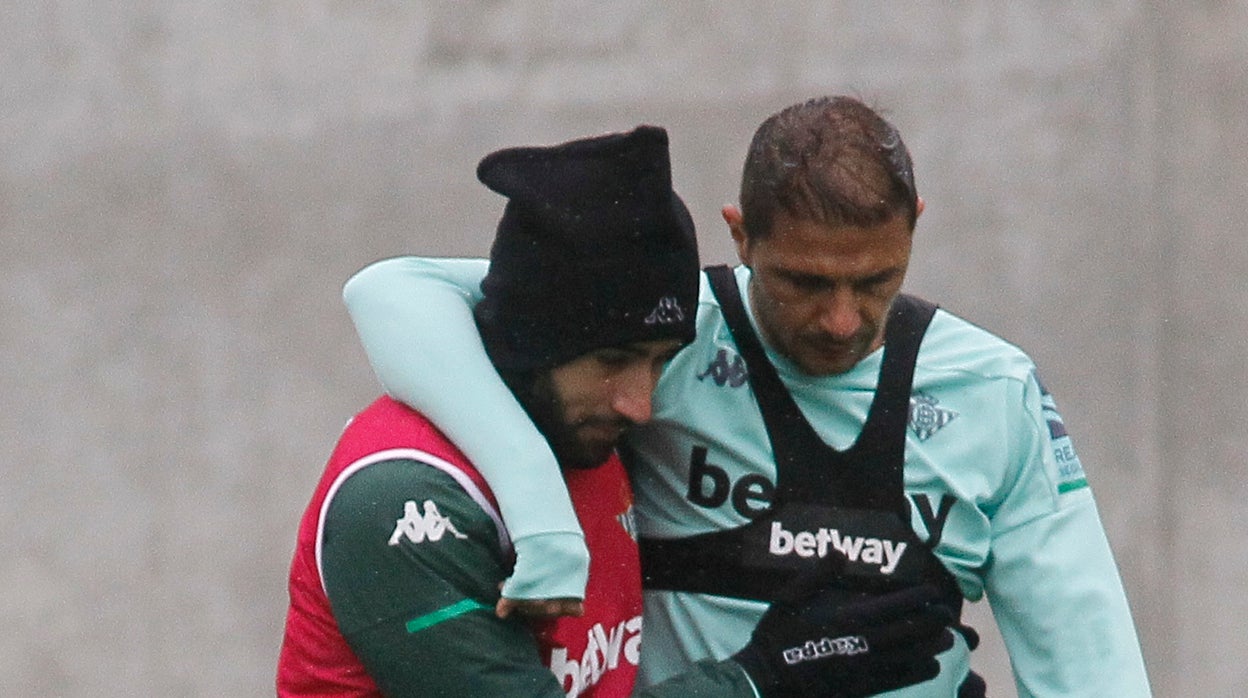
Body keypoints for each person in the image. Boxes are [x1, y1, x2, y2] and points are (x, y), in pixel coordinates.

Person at [341, 96, 1154, 696]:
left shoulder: (993, 390)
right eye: (804, 281)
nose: (841, 320)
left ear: (915, 230)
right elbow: (391, 292)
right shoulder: (658, 331)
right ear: (739, 237)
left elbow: (1092, 667)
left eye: (875, 281)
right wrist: (539, 507)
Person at [277, 124, 957, 697]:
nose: (642, 404)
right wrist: (761, 676)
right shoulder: (405, 499)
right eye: (612, 360)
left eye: (662, 360)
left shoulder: (584, 434)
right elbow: (384, 288)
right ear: (531, 340)